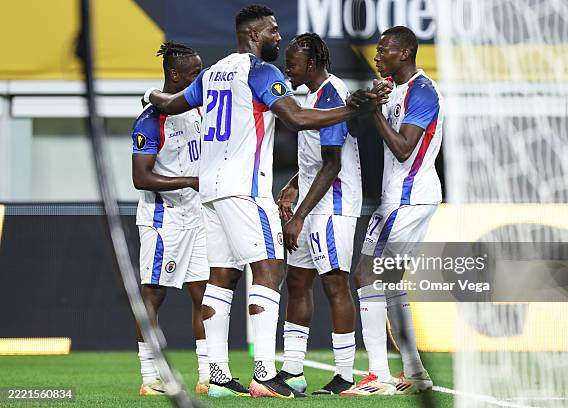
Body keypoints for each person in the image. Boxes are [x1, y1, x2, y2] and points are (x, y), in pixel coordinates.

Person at [143, 4, 388, 399]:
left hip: (209, 191)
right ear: (254, 35)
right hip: (244, 188)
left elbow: (169, 104)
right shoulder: (261, 71)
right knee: (270, 269)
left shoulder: (213, 72)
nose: (279, 37)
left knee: (222, 278)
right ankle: (264, 372)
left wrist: (150, 93)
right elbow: (296, 119)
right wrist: (353, 109)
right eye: (273, 31)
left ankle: (219, 376)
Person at [339, 26, 443, 396]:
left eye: (384, 51)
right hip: (398, 197)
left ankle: (378, 375)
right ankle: (415, 373)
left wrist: (376, 114)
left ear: (405, 53)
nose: (377, 56)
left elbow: (403, 149)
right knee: (388, 281)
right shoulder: (394, 89)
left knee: (365, 274)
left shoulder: (423, 91)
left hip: (409, 197)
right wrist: (368, 104)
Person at [276, 33, 361, 396]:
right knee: (297, 281)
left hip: (333, 206)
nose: (287, 69)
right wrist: (294, 183)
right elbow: (313, 161)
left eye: (291, 64)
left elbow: (331, 164)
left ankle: (344, 376)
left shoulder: (333, 94)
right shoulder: (310, 96)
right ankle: (293, 371)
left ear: (311, 64)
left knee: (335, 284)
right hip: (311, 204)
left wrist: (298, 217)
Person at [131, 42, 210, 396]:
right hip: (164, 218)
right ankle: (150, 377)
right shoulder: (150, 119)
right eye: (195, 73)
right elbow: (141, 177)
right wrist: (191, 181)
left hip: (198, 216)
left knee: (205, 293)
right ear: (175, 75)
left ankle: (208, 374)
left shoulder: (197, 111)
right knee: (154, 293)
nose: (202, 79)